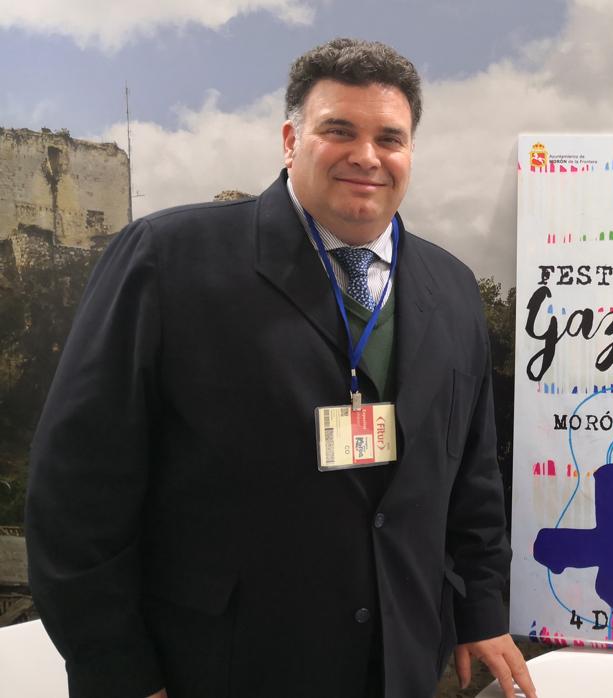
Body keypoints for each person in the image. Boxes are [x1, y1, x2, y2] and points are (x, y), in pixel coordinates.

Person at [25, 38, 536, 698]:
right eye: (339, 131)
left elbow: (471, 476)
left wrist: (481, 612)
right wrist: (118, 672)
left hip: (401, 660)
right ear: (291, 139)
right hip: (220, 664)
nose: (366, 156)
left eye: (390, 137)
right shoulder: (166, 260)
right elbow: (77, 489)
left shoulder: (454, 288)